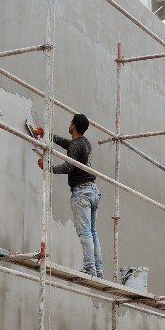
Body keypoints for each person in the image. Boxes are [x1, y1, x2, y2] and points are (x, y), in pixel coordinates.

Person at [36, 113, 103, 277]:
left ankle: (89, 268)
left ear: (73, 126)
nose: (69, 124)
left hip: (81, 193)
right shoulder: (84, 143)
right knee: (93, 232)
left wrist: (48, 167)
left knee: (85, 232)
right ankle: (98, 269)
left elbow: (68, 167)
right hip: (92, 191)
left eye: (70, 122)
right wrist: (48, 135)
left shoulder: (76, 145)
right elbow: (69, 145)